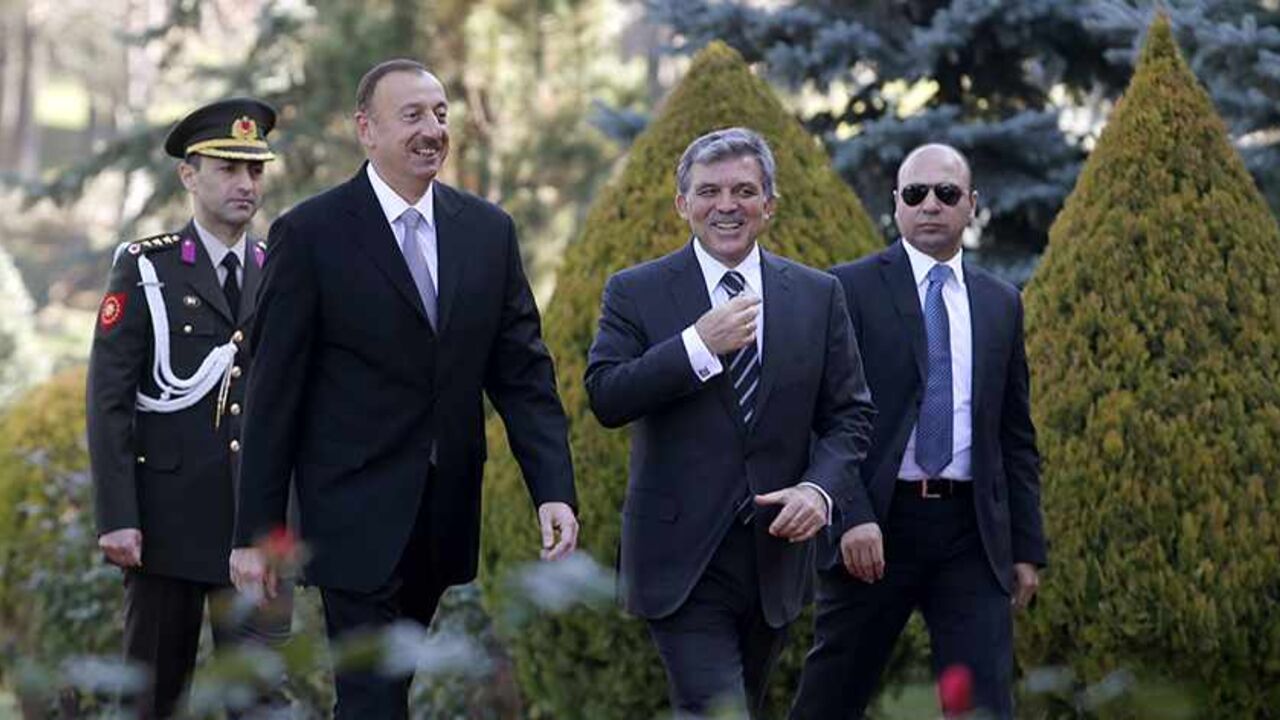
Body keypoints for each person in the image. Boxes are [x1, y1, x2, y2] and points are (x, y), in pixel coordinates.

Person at [227, 58, 579, 718]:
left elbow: (524, 375)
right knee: (371, 696)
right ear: (366, 129)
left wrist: (553, 489)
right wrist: (256, 533)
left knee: (389, 690)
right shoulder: (309, 234)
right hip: (349, 516)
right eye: (412, 114)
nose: (433, 130)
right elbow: (274, 392)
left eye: (441, 114)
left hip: (442, 516)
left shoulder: (488, 232)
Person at [585, 127, 876, 718]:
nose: (727, 205)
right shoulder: (635, 291)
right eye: (709, 191)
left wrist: (820, 491)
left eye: (744, 191)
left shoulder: (818, 295)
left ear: (769, 205)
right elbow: (608, 396)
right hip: (680, 560)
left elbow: (850, 414)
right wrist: (697, 344)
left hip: (775, 558)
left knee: (741, 705)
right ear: (683, 204)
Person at [790, 144, 1047, 719]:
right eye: (915, 193)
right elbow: (820, 417)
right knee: (830, 699)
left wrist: (1025, 548)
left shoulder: (1001, 303)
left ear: (971, 204)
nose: (930, 204)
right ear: (897, 204)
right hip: (877, 526)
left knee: (983, 706)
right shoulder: (847, 289)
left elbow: (1015, 436)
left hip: (970, 534)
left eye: (946, 194)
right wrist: (850, 516)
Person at [86, 97, 292, 719]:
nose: (245, 183)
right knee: (152, 697)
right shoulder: (146, 268)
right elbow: (109, 400)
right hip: (165, 526)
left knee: (259, 701)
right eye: (227, 169)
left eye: (254, 170)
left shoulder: (278, 269)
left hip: (253, 527)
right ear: (189, 176)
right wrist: (117, 516)